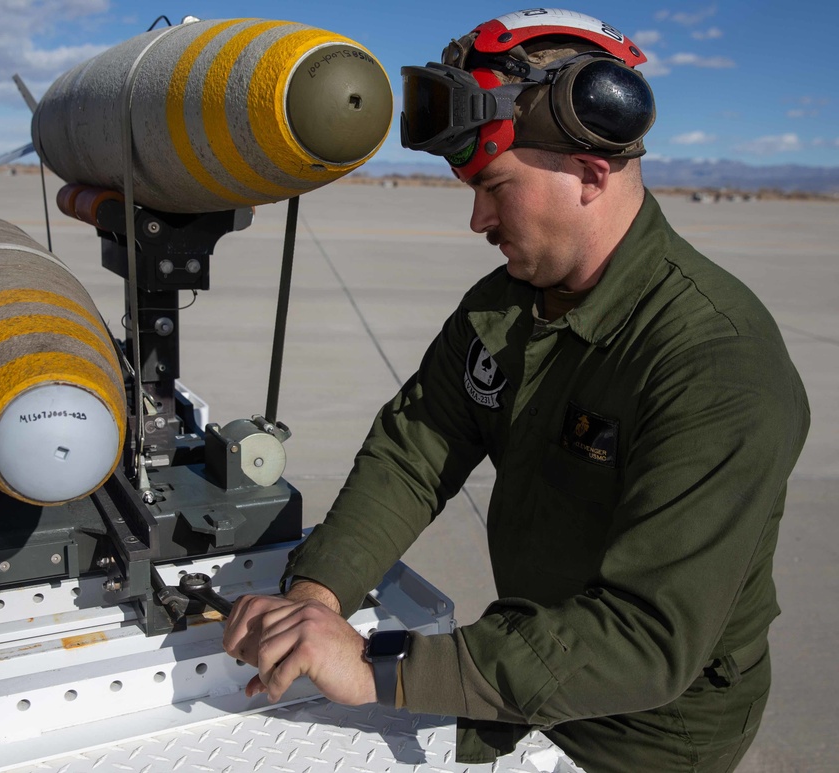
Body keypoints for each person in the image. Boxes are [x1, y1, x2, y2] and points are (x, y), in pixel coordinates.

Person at [223, 8, 810, 771]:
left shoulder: (714, 360)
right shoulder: (506, 306)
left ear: (591, 174)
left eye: (495, 186)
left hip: (642, 731)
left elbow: (645, 637)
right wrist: (318, 594)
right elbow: (418, 445)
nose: (478, 219)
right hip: (528, 665)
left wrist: (379, 665)